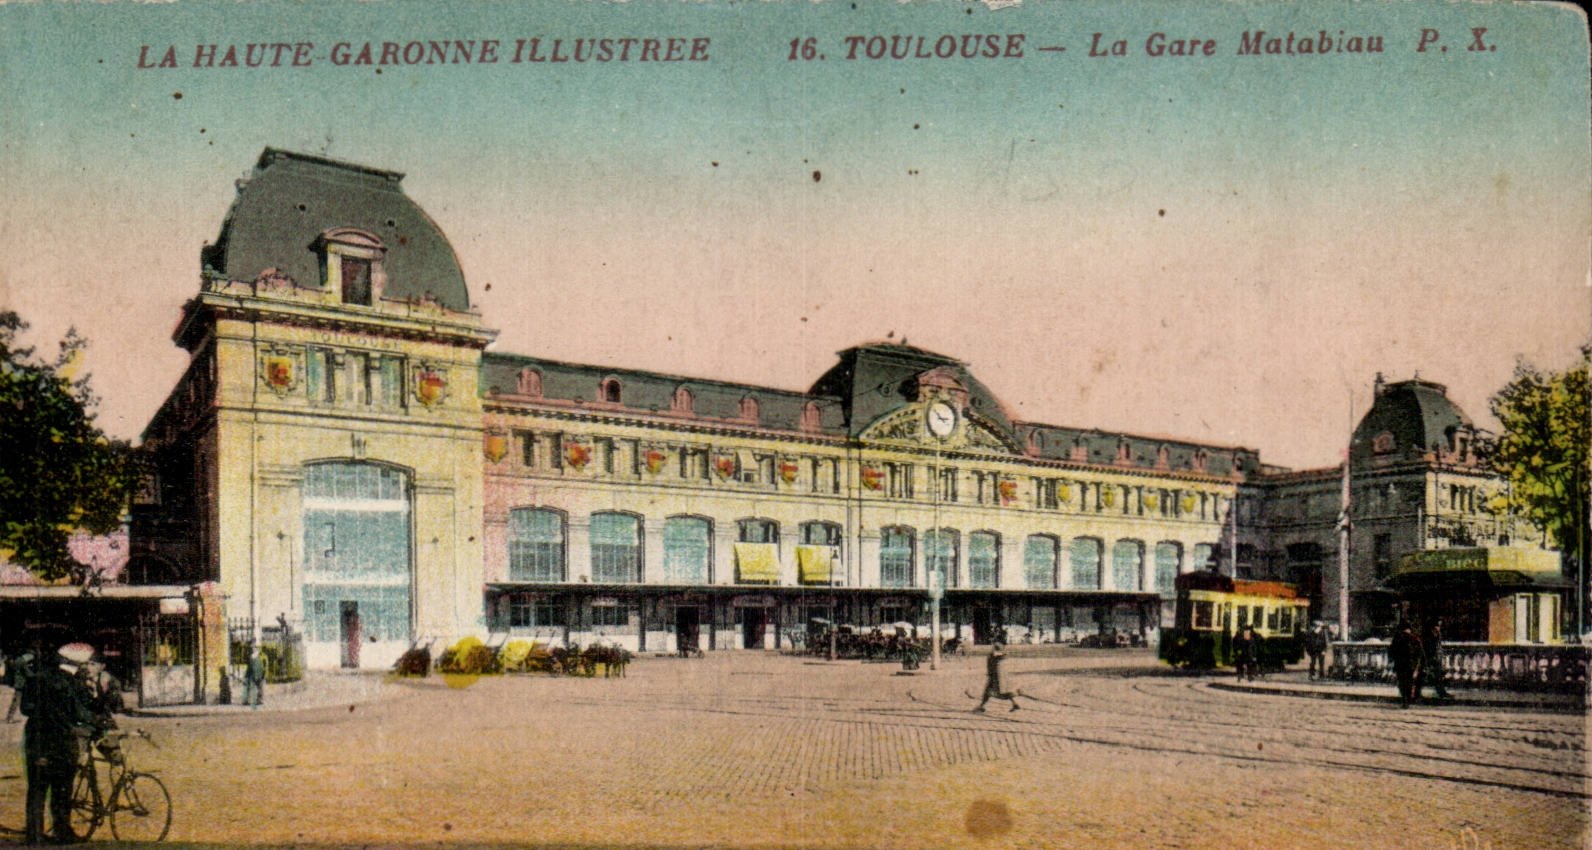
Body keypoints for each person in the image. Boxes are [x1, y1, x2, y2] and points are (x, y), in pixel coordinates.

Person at [20, 642, 97, 845]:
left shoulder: (35, 680)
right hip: (62, 742)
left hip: (37, 742)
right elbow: (81, 712)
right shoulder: (73, 684)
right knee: (62, 790)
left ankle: (34, 835)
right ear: (78, 665)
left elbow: (25, 709)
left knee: (36, 790)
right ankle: (62, 831)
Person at [975, 644, 1020, 712]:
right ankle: (1014, 703)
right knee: (1005, 691)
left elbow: (990, 666)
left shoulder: (992, 657)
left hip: (994, 678)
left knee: (987, 692)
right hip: (1003, 678)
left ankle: (981, 706)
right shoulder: (1004, 657)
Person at [1389, 621, 1423, 709]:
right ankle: (1407, 699)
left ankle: (1405, 700)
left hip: (1400, 664)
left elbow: (1392, 651)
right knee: (1409, 683)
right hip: (1411, 665)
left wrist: (1392, 661)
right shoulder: (1415, 638)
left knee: (1402, 683)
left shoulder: (1397, 638)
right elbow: (1420, 653)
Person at [1421, 619, 1451, 701]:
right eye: (1438, 626)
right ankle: (1441, 692)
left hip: (1434, 658)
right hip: (1429, 659)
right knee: (1427, 676)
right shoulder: (1429, 636)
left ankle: (1441, 692)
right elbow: (1428, 648)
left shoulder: (1436, 635)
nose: (1439, 628)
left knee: (1437, 676)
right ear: (1434, 627)